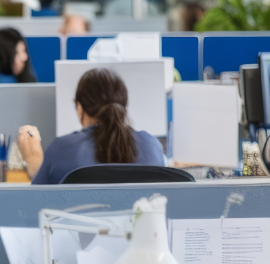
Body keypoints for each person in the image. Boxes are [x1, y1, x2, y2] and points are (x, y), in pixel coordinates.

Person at [16, 67, 165, 184]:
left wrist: (35, 164)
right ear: (124, 107)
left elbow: (36, 205)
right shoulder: (153, 146)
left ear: (80, 107)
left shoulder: (62, 150)